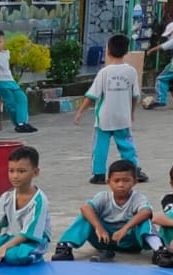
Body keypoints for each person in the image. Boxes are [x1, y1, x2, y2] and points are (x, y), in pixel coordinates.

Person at [52, 159, 163, 264]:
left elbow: (146, 211)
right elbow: (85, 208)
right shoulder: (103, 197)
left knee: (143, 220)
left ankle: (160, 251)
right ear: (108, 182)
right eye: (116, 181)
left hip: (129, 242)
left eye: (126, 180)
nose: (121, 185)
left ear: (134, 182)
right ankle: (65, 247)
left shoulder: (138, 198)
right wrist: (98, 227)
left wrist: (124, 229)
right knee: (86, 216)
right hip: (103, 240)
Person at [72, 34, 149, 186]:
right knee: (127, 146)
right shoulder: (131, 71)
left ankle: (99, 174)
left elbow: (92, 95)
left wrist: (80, 112)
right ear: (127, 51)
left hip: (104, 118)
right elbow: (135, 96)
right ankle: (133, 170)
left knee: (100, 146)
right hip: (123, 116)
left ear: (107, 51)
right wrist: (132, 112)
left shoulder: (104, 72)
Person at [0, 145, 50, 267]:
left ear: (35, 172)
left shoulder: (40, 201)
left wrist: (3, 248)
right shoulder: (7, 197)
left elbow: (27, 234)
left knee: (12, 256)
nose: (15, 176)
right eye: (11, 170)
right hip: (10, 238)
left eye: (21, 171)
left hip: (32, 241)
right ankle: (5, 251)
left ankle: (35, 256)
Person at [0, 14, 37, 133]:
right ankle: (19, 125)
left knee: (22, 98)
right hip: (0, 82)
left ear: (3, 42)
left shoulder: (6, 52)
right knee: (10, 103)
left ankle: (23, 122)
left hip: (10, 81)